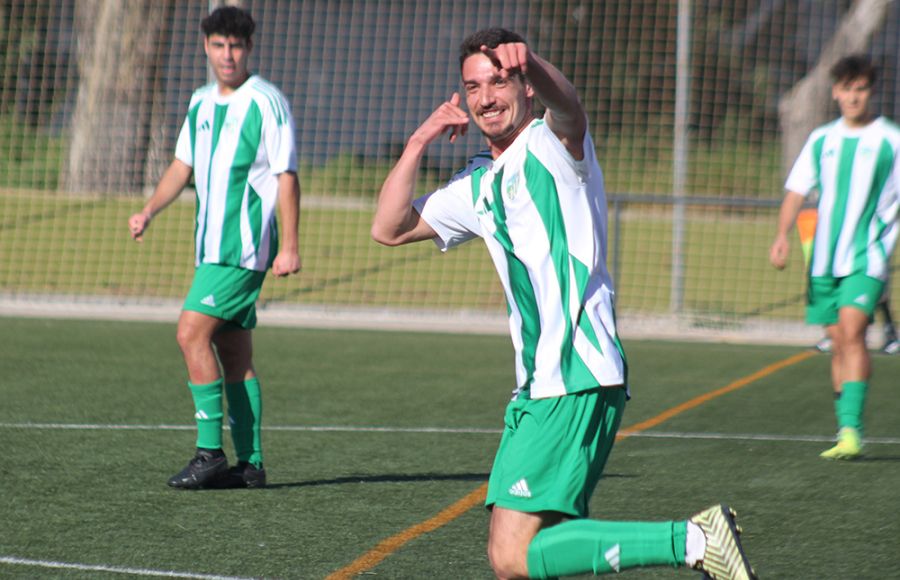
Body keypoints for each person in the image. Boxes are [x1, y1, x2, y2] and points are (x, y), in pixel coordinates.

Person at [372, 28, 755, 580]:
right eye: (472, 86)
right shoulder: (477, 182)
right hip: (539, 386)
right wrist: (418, 141)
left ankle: (695, 540)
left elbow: (569, 106)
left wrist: (534, 63)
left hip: (573, 373)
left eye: (499, 81)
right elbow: (389, 227)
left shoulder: (553, 146)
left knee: (512, 555)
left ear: (526, 87)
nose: (485, 98)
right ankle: (695, 541)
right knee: (532, 552)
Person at [128, 6, 301, 489]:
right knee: (233, 351)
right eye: (220, 45)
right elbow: (182, 166)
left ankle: (209, 453)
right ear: (206, 47)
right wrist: (149, 210)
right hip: (210, 248)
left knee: (189, 333)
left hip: (243, 250)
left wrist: (290, 246)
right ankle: (251, 465)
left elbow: (287, 175)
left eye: (237, 46)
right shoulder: (200, 102)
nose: (228, 55)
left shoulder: (267, 101)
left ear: (249, 49)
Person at [769, 54, 900, 460]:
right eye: (846, 89)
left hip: (868, 256)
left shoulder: (891, 139)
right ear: (835, 92)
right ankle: (845, 429)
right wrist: (781, 236)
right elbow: (796, 189)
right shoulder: (823, 139)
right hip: (823, 260)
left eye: (861, 89)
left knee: (853, 331)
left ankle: (852, 431)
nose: (853, 97)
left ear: (870, 91)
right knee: (839, 340)